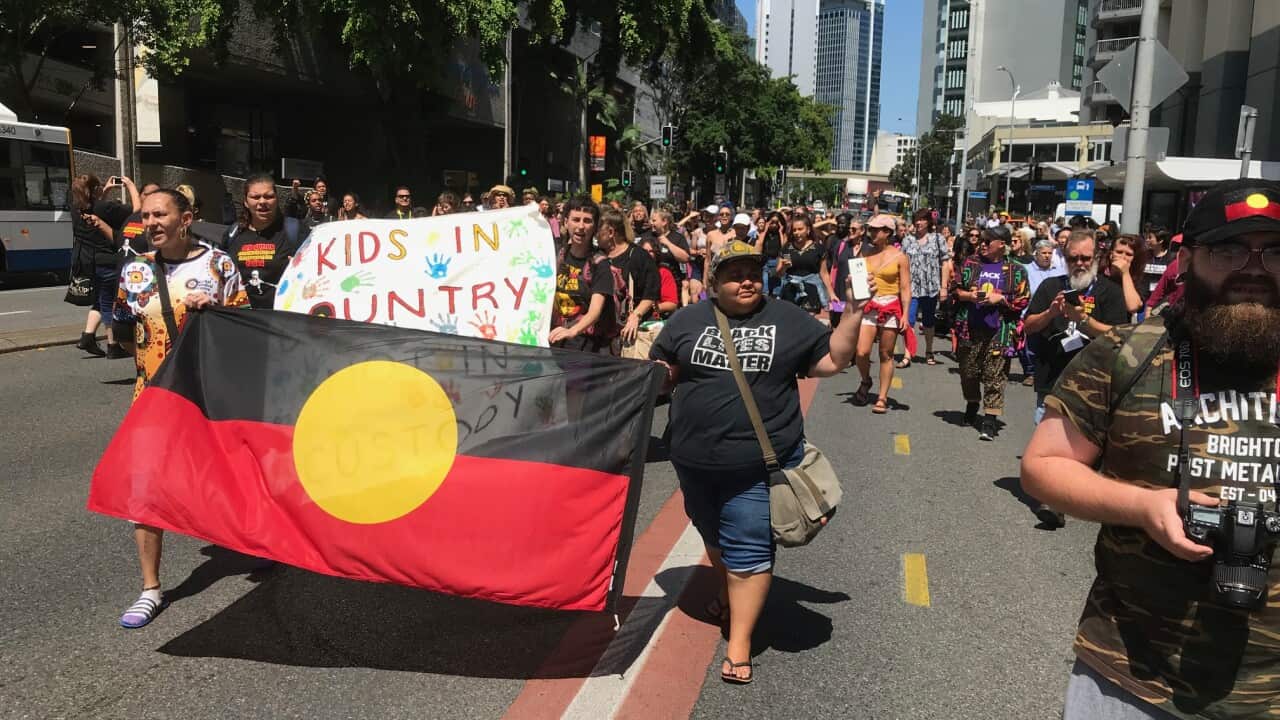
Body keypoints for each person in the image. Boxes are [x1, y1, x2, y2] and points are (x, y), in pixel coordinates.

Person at [1021, 178, 1280, 719]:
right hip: (1131, 672)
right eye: (1229, 249)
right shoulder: (1127, 353)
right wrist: (1143, 507)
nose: (1253, 269)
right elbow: (1043, 466)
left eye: (1275, 252)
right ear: (1187, 260)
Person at [649, 239, 864, 685]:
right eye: (735, 273)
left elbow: (833, 361)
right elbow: (663, 371)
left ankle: (740, 641)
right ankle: (730, 597)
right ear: (714, 282)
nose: (746, 280)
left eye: (753, 271)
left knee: (747, 549)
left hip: (756, 466)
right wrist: (657, 378)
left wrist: (856, 312)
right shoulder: (687, 320)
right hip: (693, 462)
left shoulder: (787, 318)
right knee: (712, 534)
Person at [112, 188, 249, 628]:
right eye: (146, 215)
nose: (151, 222)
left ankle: (252, 542)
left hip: (206, 395)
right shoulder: (135, 271)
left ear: (185, 218)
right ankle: (150, 588)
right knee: (145, 490)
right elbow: (121, 331)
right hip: (152, 398)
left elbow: (245, 326)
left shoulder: (217, 264)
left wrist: (214, 313)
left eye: (161, 214)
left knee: (226, 475)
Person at [1021, 230, 1129, 527]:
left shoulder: (1109, 291)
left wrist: (1083, 320)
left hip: (1096, 381)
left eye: (1085, 258)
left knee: (1084, 446)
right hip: (1053, 376)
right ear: (1064, 258)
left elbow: (1120, 335)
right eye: (1073, 258)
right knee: (1052, 444)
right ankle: (1053, 502)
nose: (1079, 263)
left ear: (1096, 258)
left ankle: (1078, 495)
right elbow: (1028, 326)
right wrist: (1050, 312)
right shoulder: (1050, 286)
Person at [952, 223, 1030, 440]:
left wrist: (1002, 299)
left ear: (1001, 245)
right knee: (968, 372)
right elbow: (955, 289)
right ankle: (973, 402)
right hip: (970, 327)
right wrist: (969, 296)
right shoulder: (971, 263)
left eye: (987, 241)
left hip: (1000, 330)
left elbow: (1023, 300)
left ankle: (989, 419)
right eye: (982, 241)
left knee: (994, 375)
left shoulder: (1016, 269)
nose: (982, 245)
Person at [851, 214, 912, 414]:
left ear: (887, 232)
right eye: (871, 230)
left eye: (876, 230)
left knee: (886, 354)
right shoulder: (864, 252)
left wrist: (905, 316)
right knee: (861, 352)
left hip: (890, 306)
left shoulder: (900, 257)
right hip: (869, 305)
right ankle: (866, 380)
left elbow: (905, 288)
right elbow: (857, 281)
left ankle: (882, 397)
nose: (872, 233)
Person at [71, 174, 135, 358]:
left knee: (101, 300)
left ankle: (88, 336)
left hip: (87, 262)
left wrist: (104, 191)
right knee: (110, 303)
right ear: (95, 189)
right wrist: (130, 186)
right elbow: (137, 212)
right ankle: (113, 344)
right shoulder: (106, 207)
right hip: (108, 261)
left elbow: (95, 207)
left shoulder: (75, 209)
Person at [222, 174, 307, 309]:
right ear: (245, 201)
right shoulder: (233, 233)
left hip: (282, 320)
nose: (262, 201)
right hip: (240, 319)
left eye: (269, 196)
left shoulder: (295, 230)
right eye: (255, 197)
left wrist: (300, 269)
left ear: (277, 199)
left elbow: (312, 273)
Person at [550, 196, 617, 353]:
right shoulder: (556, 256)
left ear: (594, 227)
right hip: (555, 341)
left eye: (587, 221)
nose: (581, 226)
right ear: (566, 222)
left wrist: (572, 331)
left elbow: (594, 312)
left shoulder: (600, 264)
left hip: (587, 348)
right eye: (576, 219)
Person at [597, 207, 659, 348]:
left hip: (627, 334)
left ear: (611, 232)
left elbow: (651, 292)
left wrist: (635, 316)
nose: (596, 235)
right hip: (600, 334)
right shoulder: (597, 256)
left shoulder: (639, 256)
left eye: (598, 230)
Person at [900, 209, 950, 367]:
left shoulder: (937, 239)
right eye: (916, 219)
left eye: (922, 220)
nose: (918, 222)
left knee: (928, 322)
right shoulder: (907, 240)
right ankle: (908, 354)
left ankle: (929, 350)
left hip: (930, 288)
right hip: (911, 287)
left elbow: (945, 263)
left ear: (928, 222)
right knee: (909, 320)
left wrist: (943, 287)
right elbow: (901, 263)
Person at [776, 214, 828, 316]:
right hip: (791, 288)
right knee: (790, 318)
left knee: (808, 321)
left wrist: (831, 293)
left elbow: (824, 273)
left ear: (808, 230)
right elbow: (779, 274)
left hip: (811, 288)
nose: (797, 233)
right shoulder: (787, 248)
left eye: (800, 229)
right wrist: (783, 267)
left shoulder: (819, 248)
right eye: (794, 230)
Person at [1102, 233, 1148, 315]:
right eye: (1119, 252)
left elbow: (1133, 307)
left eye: (1129, 254)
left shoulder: (1139, 278)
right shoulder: (1100, 272)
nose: (1123, 257)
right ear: (1111, 254)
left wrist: (1125, 273)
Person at [637, 237, 680, 318]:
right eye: (644, 251)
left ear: (656, 254)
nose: (648, 254)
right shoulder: (633, 272)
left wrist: (654, 307)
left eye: (651, 251)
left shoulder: (663, 273)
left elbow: (672, 303)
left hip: (654, 318)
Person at [1141, 228, 1174, 297]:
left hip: (1162, 297)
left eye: (1150, 237)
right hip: (1143, 295)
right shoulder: (1144, 255)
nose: (1147, 240)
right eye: (1147, 237)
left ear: (1160, 240)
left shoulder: (1171, 258)